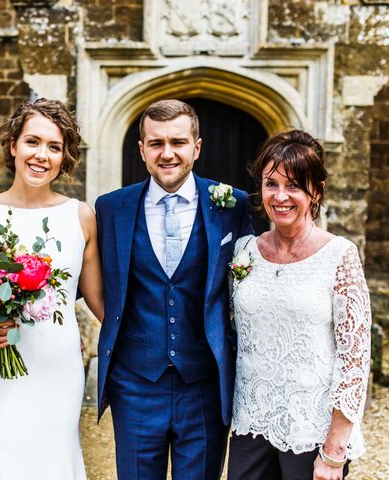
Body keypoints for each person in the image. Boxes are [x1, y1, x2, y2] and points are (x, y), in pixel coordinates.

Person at [95, 99, 253, 479]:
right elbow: (93, 283)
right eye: (156, 143)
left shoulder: (232, 204)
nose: (168, 154)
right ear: (142, 150)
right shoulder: (110, 208)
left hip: (202, 384)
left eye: (178, 142)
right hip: (134, 383)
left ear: (197, 148)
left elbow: (251, 284)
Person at [0, 98, 104, 479]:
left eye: (54, 147)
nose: (42, 155)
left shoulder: (81, 217)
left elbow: (98, 301)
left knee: (53, 462)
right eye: (33, 142)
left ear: (65, 155)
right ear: (13, 146)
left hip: (58, 368)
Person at [228, 129, 371, 480]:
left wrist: (334, 451)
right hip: (251, 421)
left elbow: (355, 358)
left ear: (316, 191)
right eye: (271, 184)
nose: (280, 196)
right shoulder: (244, 250)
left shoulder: (339, 256)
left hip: (312, 428)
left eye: (294, 186)